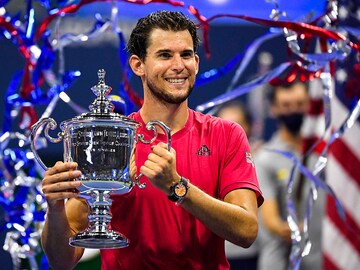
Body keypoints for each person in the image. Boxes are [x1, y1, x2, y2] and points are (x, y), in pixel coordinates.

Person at [40, 11, 263, 270]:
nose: (179, 65)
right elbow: (61, 261)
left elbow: (247, 231)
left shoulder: (226, 134)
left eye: (186, 54)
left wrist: (178, 187)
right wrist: (55, 209)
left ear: (197, 62)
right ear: (138, 65)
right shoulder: (111, 139)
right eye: (165, 55)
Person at [255, 80, 324, 270]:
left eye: (300, 104)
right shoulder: (265, 158)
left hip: (322, 261)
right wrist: (284, 228)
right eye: (286, 105)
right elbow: (270, 217)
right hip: (282, 263)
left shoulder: (323, 152)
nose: (294, 110)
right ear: (274, 109)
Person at [216, 100, 260, 270]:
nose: (230, 131)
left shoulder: (262, 160)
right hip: (219, 254)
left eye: (237, 125)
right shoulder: (206, 161)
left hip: (252, 254)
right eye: (224, 124)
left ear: (248, 127)